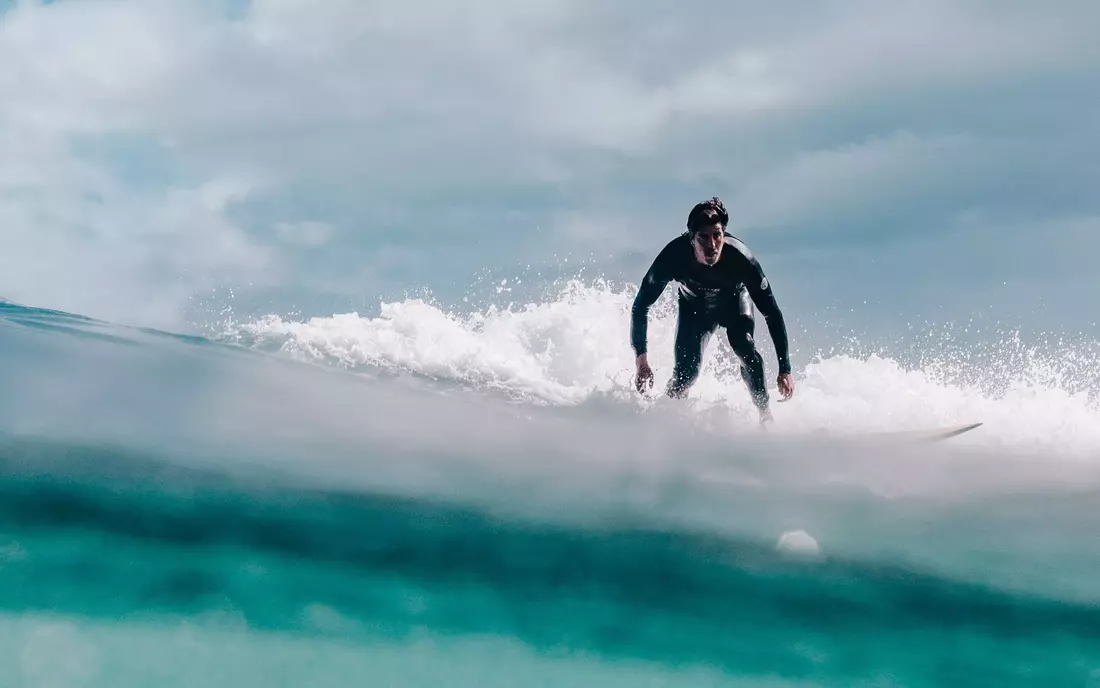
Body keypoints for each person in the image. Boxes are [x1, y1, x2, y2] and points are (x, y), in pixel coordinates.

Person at [630, 197, 795, 422]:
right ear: (691, 239)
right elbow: (641, 305)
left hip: (734, 305)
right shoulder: (673, 257)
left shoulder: (741, 259)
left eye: (717, 235)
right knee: (686, 375)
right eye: (703, 237)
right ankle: (664, 420)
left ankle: (765, 416)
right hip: (694, 310)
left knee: (746, 349)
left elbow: (772, 313)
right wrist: (642, 362)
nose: (712, 245)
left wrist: (785, 369)